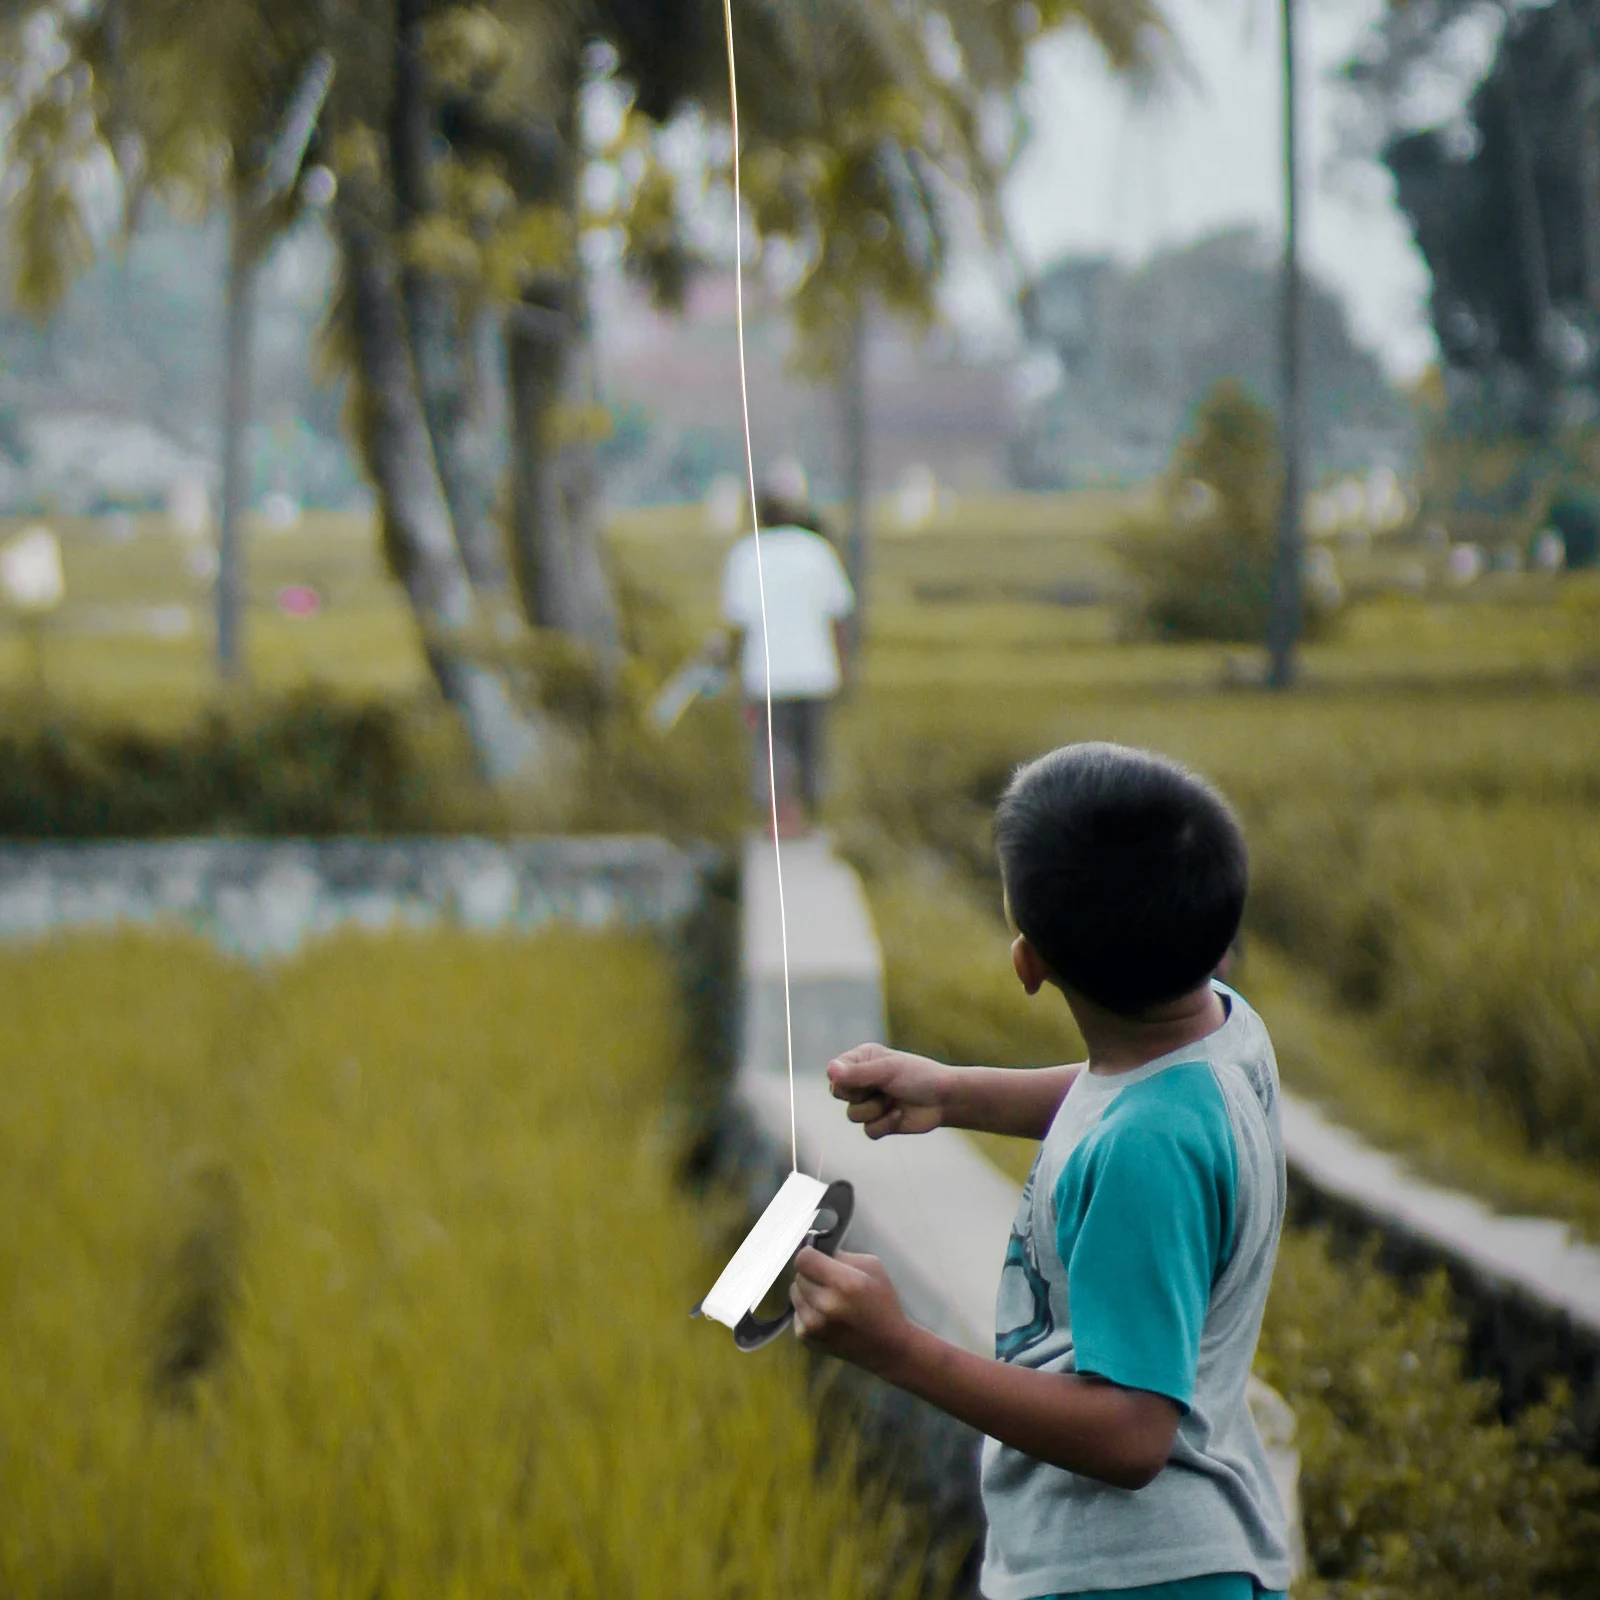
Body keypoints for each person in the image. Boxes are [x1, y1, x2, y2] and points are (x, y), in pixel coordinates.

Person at [793, 742, 1291, 1600]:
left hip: (1132, 1576)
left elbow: (1132, 1436)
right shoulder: (1223, 1036)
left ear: (1029, 965)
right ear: (1219, 945)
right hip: (1182, 1556)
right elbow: (1120, 1094)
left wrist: (899, 1348)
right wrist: (953, 1094)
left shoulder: (1146, 1155)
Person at [720, 463, 855, 836]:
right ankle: (808, 818)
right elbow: (838, 617)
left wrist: (734, 675)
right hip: (815, 669)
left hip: (766, 672)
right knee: (812, 749)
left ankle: (781, 818)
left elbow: (738, 626)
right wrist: (842, 666)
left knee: (772, 749)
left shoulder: (746, 555)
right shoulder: (817, 551)